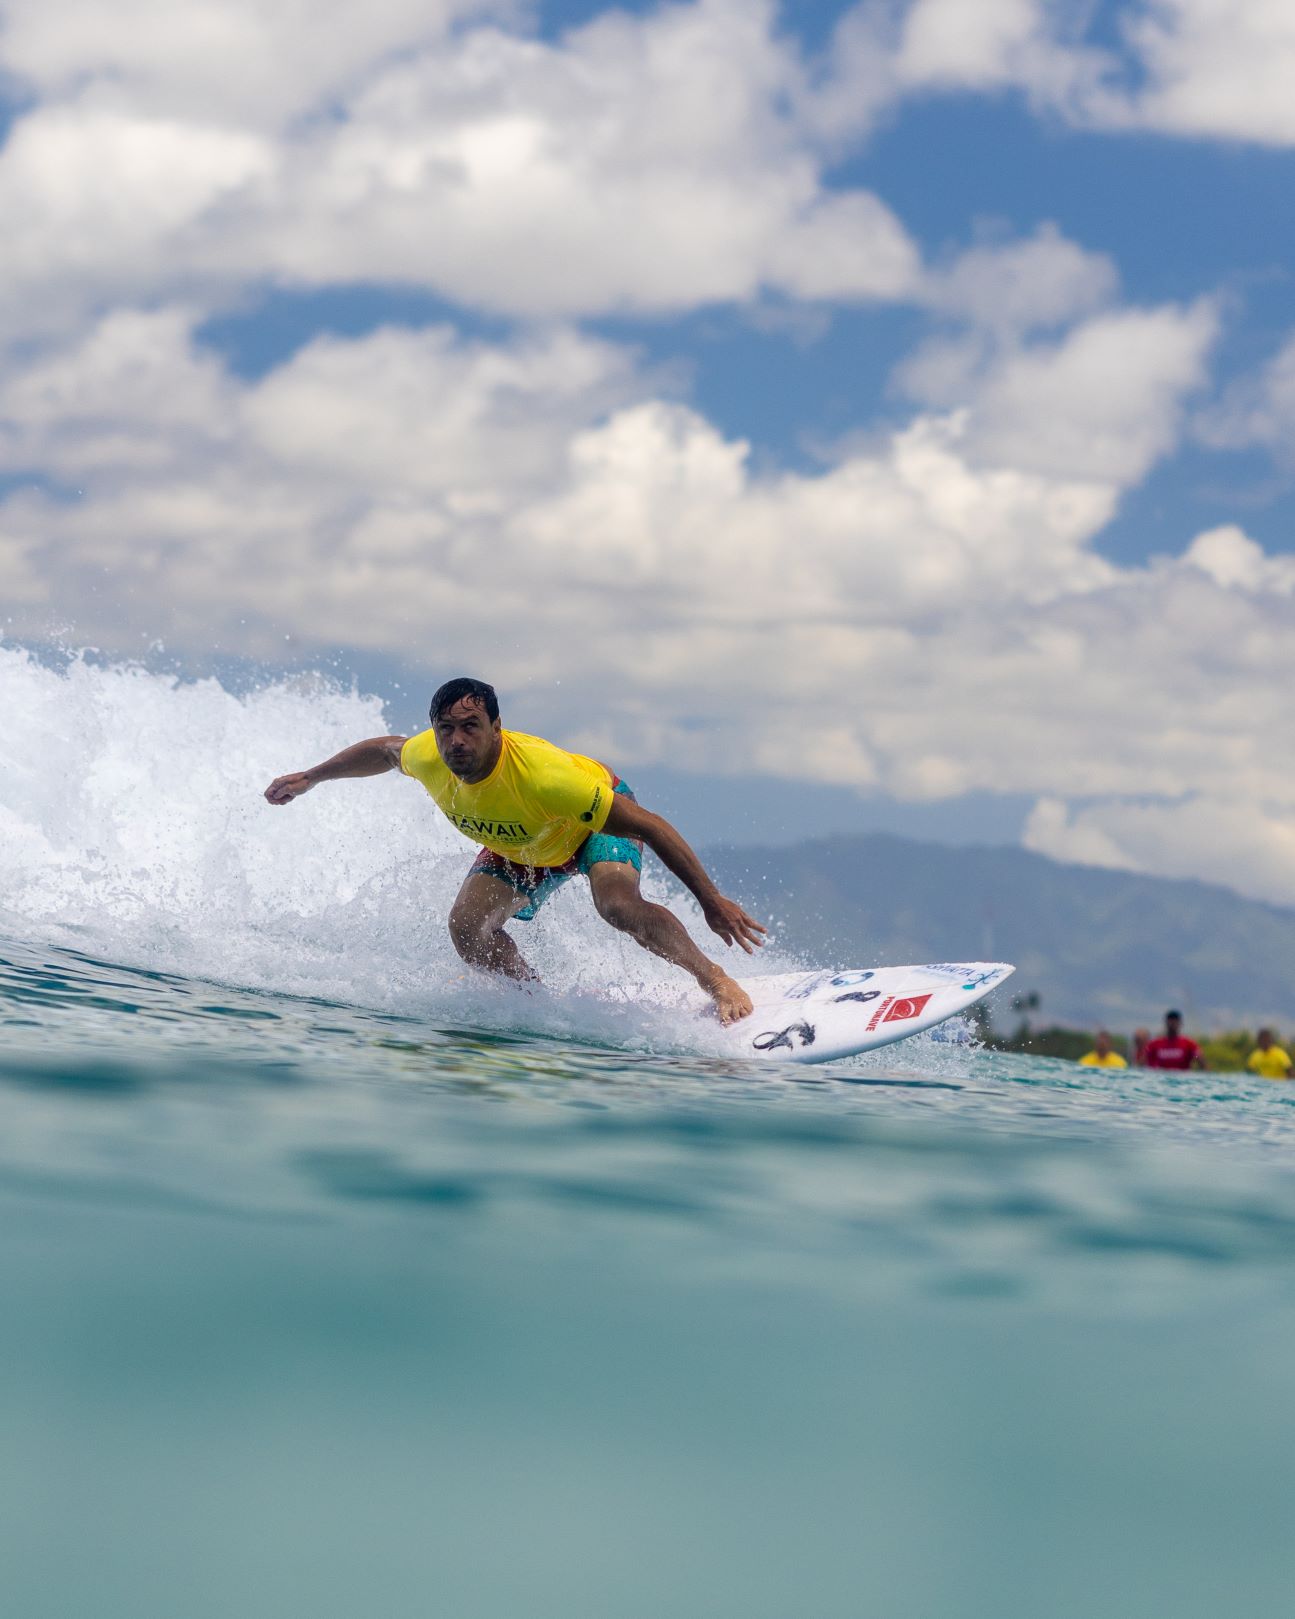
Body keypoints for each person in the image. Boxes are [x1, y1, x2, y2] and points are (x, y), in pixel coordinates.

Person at [264, 677, 766, 1024]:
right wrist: (311, 777)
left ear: (496, 728)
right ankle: (534, 1001)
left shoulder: (548, 778)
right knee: (466, 927)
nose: (456, 741)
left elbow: (652, 827)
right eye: (445, 729)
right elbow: (384, 750)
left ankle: (716, 981)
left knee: (617, 905)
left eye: (470, 727)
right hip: (524, 845)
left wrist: (710, 902)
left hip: (584, 827)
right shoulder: (428, 756)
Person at [1142, 1010, 1207, 1072]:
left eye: (1175, 1020)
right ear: (1166, 1023)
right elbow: (1142, 1062)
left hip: (1182, 1080)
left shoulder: (1189, 1044)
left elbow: (1199, 1058)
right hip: (1161, 1079)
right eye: (1170, 1020)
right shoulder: (1154, 1044)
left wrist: (1196, 1057)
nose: (1173, 1023)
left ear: (1180, 1023)